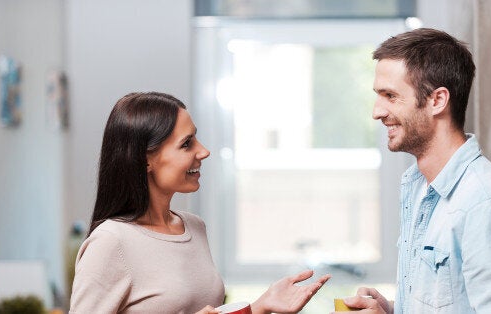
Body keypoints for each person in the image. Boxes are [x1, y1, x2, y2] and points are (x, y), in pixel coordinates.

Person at [69, 92, 330, 314]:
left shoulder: (194, 227)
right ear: (144, 159)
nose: (203, 151)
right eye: (186, 144)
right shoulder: (111, 242)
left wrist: (260, 307)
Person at [343, 28, 491, 313]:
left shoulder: (487, 204)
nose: (377, 111)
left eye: (390, 95)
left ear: (437, 100)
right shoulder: (418, 186)